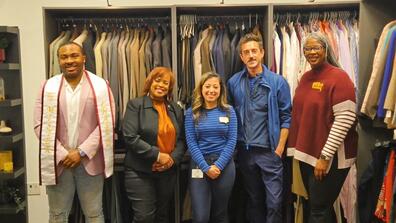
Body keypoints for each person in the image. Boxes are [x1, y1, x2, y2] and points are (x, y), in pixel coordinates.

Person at [34, 42, 115, 223]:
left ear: (83, 58)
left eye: (74, 55)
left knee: (94, 214)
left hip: (89, 161)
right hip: (59, 162)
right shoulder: (48, 87)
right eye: (64, 57)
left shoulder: (101, 85)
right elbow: (39, 125)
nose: (69, 60)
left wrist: (80, 152)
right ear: (59, 61)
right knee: (57, 214)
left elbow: (107, 123)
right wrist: (63, 153)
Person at [287, 32, 357, 223]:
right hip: (308, 154)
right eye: (307, 48)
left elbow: (346, 118)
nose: (311, 52)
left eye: (316, 47)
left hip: (330, 157)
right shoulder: (306, 78)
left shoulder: (339, 77)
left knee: (318, 208)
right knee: (317, 206)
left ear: (326, 49)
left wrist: (325, 157)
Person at [227, 33, 292, 223]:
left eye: (254, 51)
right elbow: (229, 116)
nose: (251, 55)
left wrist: (279, 148)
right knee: (254, 200)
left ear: (262, 52)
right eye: (246, 52)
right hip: (246, 153)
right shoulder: (233, 82)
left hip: (270, 152)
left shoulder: (278, 82)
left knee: (274, 202)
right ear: (241, 57)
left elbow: (287, 117)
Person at [122, 67, 186, 223]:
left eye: (166, 83)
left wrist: (172, 160)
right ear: (150, 81)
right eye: (158, 81)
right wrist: (158, 155)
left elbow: (182, 140)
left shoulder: (175, 109)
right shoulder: (135, 104)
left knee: (162, 215)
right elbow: (130, 137)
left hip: (167, 172)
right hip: (139, 171)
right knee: (144, 217)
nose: (161, 85)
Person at [185, 72, 237, 223]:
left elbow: (232, 141)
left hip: (224, 166)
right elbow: (192, 143)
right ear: (201, 89)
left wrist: (218, 166)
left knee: (220, 214)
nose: (211, 90)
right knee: (200, 217)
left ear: (221, 89)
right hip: (199, 166)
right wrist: (206, 167)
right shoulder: (192, 113)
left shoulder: (229, 111)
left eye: (215, 86)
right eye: (207, 86)